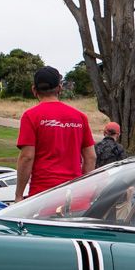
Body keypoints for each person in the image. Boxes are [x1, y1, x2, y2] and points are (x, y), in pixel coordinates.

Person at [15, 67, 94, 201]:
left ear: (34, 90)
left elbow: (27, 157)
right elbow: (91, 157)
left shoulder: (30, 116)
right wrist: (84, 190)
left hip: (43, 195)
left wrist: (19, 195)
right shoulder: (80, 117)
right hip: (74, 194)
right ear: (59, 88)